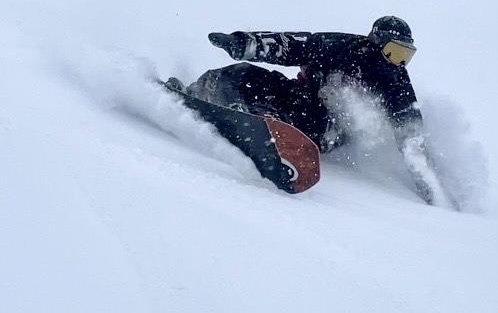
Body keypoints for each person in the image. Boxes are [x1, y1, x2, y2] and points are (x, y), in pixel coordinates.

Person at [167, 16, 434, 203]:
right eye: (394, 52)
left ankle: (273, 129)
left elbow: (409, 126)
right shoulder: (340, 48)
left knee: (319, 119)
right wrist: (243, 43)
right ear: (376, 42)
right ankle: (195, 94)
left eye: (405, 56)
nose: (397, 62)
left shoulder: (397, 81)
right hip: (298, 99)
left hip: (326, 131)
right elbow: (290, 45)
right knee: (244, 75)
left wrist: (424, 177)